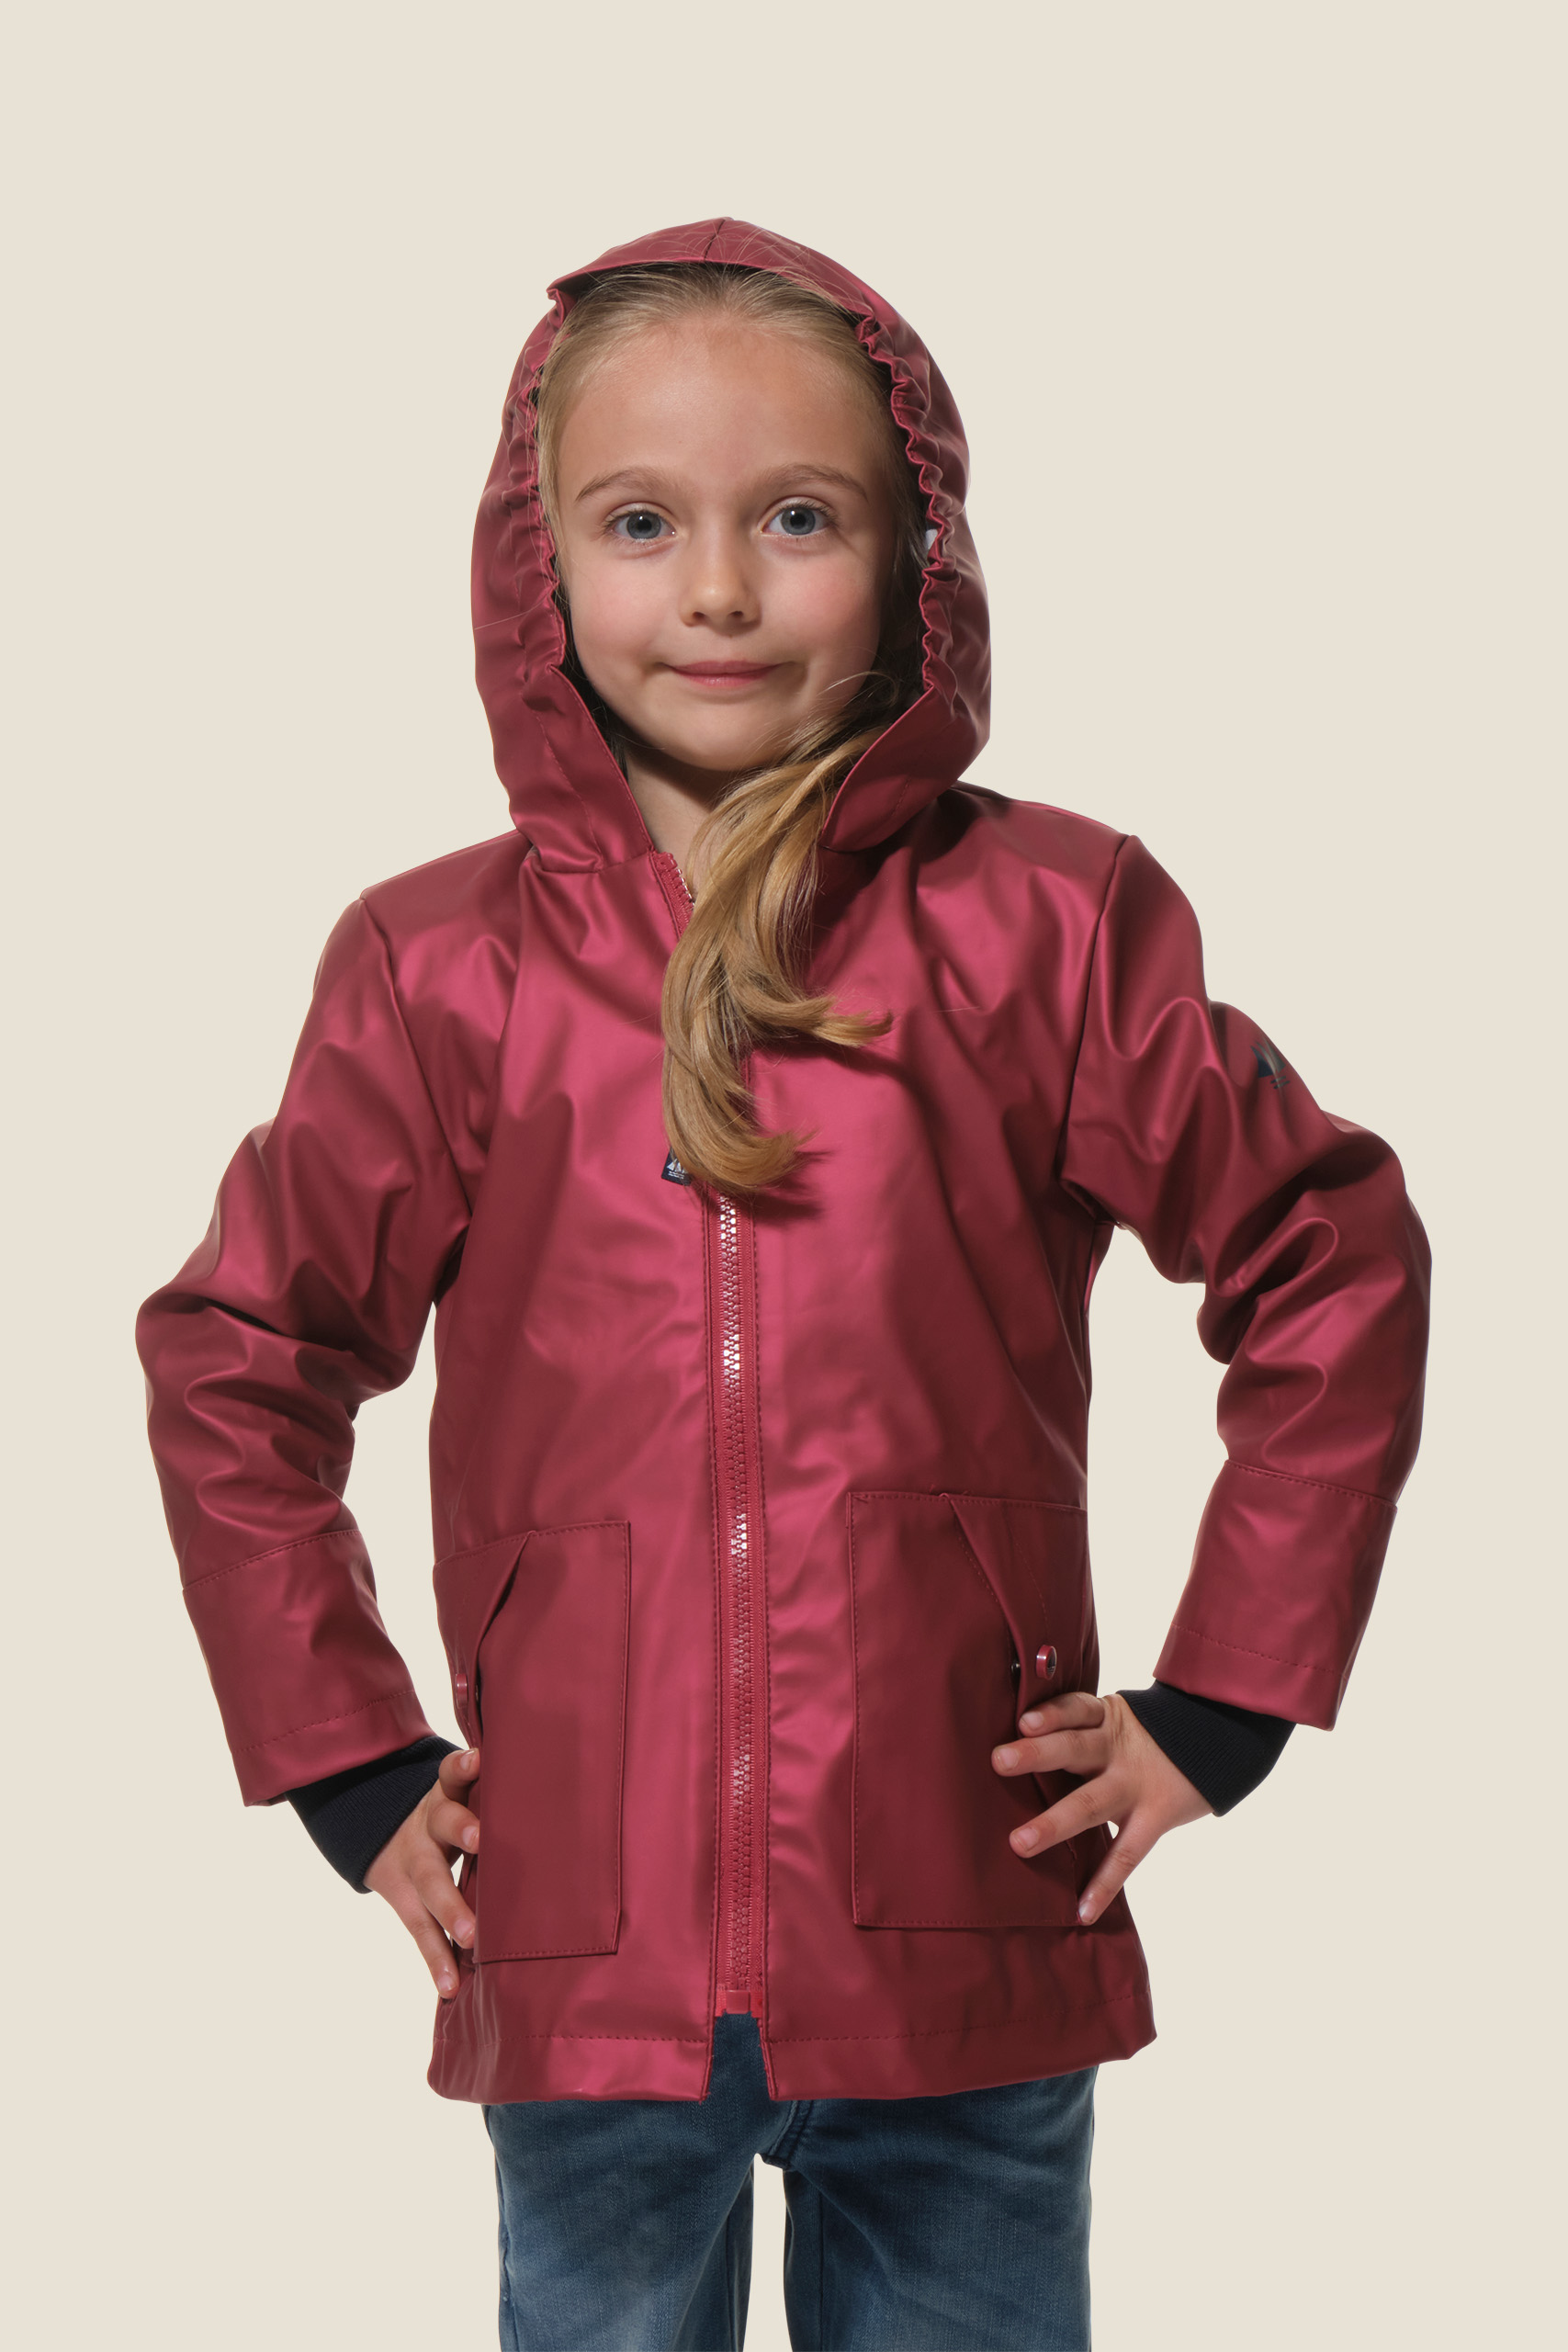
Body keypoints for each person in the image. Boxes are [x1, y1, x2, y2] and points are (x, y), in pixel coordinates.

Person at [136, 219, 1429, 2352]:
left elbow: (1327, 1250)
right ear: (535, 562)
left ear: (916, 558)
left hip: (965, 1914)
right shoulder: (439, 967)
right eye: (639, 520)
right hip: (583, 1931)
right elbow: (239, 1351)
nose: (719, 591)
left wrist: (1223, 1697)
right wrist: (343, 1750)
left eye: (797, 517)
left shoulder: (1050, 925)